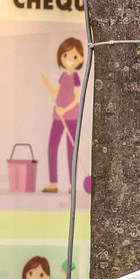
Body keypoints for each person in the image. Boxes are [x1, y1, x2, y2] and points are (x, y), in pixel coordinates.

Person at [42, 37, 86, 193]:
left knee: (70, 150)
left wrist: (65, 109)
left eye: (73, 57)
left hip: (71, 116)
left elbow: (76, 98)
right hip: (58, 116)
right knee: (52, 147)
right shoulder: (63, 76)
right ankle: (53, 183)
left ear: (80, 58)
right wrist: (48, 84)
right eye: (66, 56)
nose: (69, 60)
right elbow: (57, 92)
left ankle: (71, 184)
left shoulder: (75, 77)